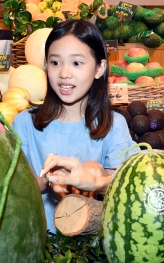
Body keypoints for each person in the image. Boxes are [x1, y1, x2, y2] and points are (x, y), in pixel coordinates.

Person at [12, 20, 138, 233]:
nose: (64, 73)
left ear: (100, 68)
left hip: (93, 254)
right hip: (38, 244)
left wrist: (96, 178)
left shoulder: (113, 125)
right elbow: (13, 190)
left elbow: (126, 187)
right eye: (55, 62)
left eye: (76, 63)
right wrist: (49, 179)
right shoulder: (24, 123)